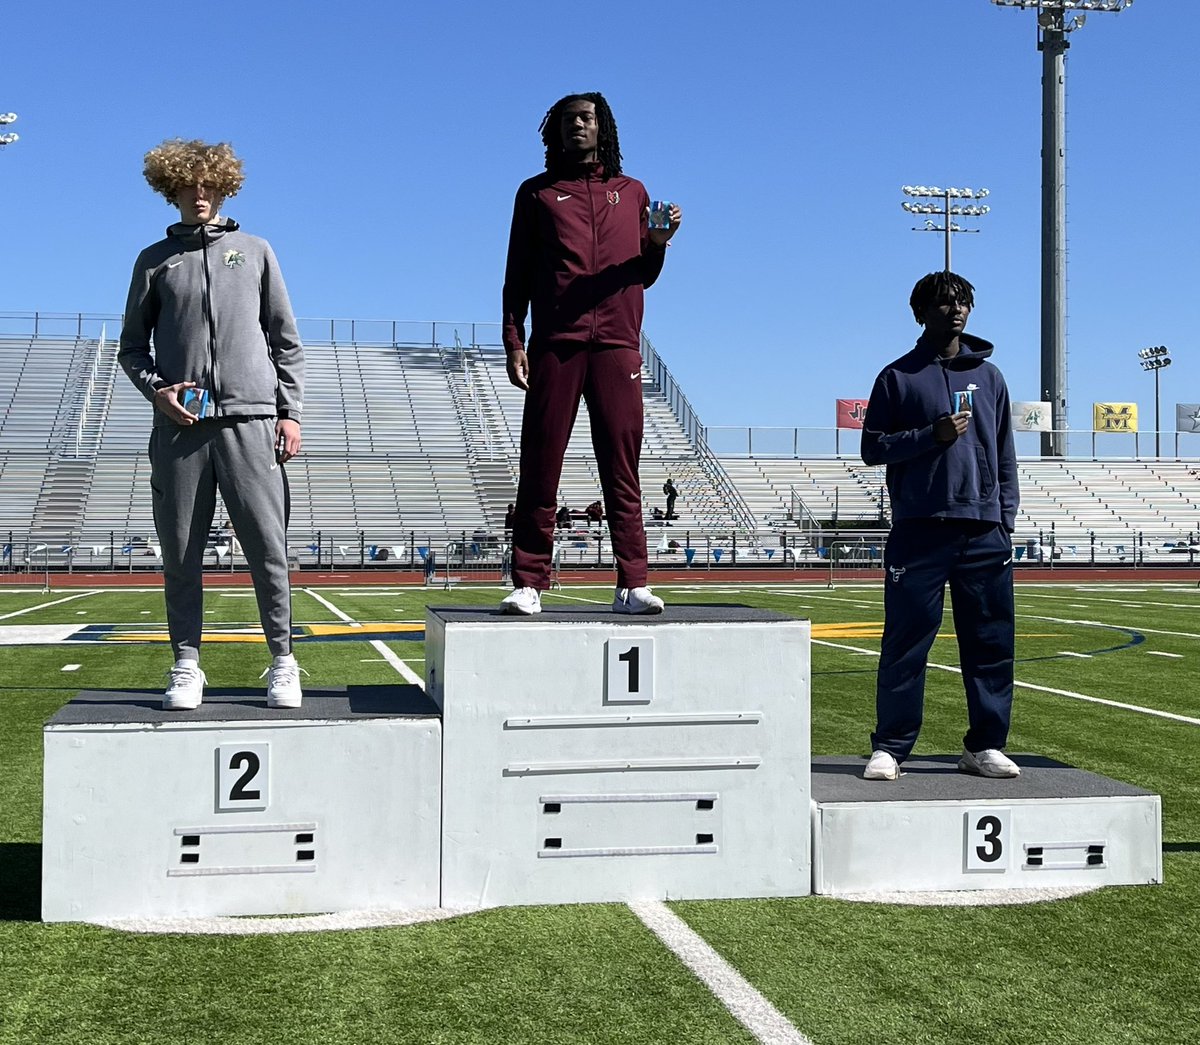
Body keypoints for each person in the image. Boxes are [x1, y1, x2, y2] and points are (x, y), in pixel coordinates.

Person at [118, 138, 305, 712]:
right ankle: (186, 664)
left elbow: (285, 340)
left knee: (268, 549)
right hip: (181, 428)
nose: (198, 195)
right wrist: (158, 392)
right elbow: (131, 349)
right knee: (181, 551)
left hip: (251, 420)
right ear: (170, 190)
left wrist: (290, 412)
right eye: (187, 186)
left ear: (223, 187)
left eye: (208, 185)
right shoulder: (153, 261)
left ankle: (282, 661)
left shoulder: (255, 250)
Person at [500, 92, 682, 616]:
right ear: (553, 131)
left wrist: (657, 242)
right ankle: (529, 581)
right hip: (555, 344)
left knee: (622, 466)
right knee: (540, 462)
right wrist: (515, 340)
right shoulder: (535, 194)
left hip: (617, 346)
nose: (577, 125)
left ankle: (632, 581)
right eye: (567, 120)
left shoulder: (633, 192)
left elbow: (643, 274)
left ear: (604, 127)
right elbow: (516, 276)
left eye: (586, 118)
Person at [860, 271, 1020, 781]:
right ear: (920, 312)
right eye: (945, 303)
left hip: (983, 530)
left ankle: (985, 745)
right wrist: (930, 435)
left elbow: (1005, 452)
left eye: (964, 303)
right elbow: (872, 449)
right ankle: (891, 746)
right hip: (920, 528)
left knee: (990, 642)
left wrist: (1005, 518)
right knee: (906, 641)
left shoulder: (990, 377)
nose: (956, 311)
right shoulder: (897, 377)